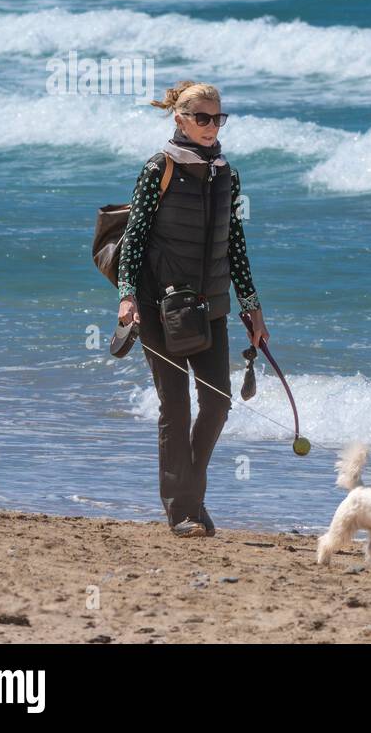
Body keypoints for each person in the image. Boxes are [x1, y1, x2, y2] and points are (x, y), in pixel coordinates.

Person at [116, 81, 269, 537]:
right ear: (180, 119)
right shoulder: (157, 168)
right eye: (201, 118)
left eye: (217, 118)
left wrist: (252, 306)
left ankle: (191, 491)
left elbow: (235, 243)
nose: (210, 126)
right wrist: (126, 296)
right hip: (158, 306)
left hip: (211, 306)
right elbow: (135, 239)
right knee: (176, 408)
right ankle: (181, 511)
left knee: (218, 402)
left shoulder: (227, 173)